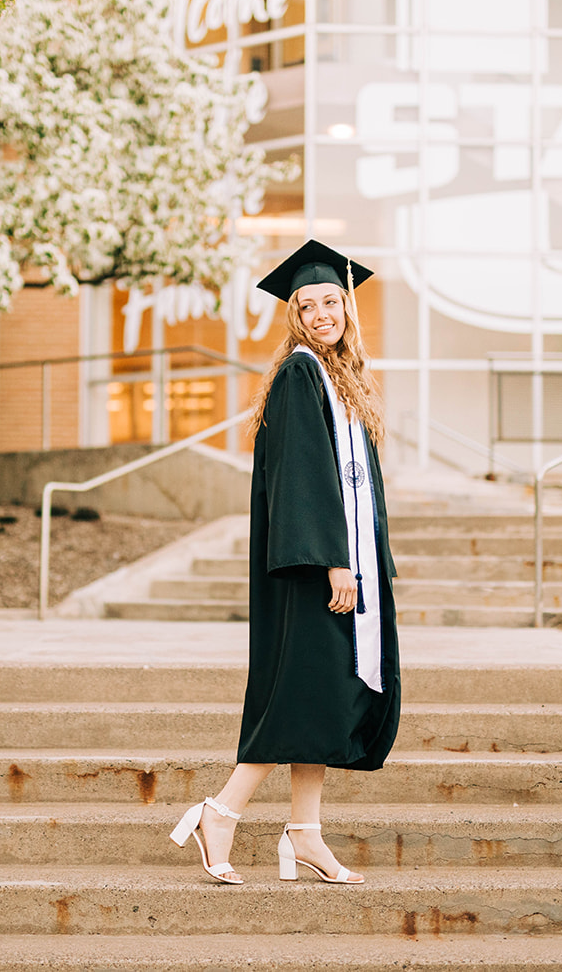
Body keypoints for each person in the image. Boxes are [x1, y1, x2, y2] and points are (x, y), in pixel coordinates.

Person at [170, 240, 401, 886]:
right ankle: (220, 812)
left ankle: (306, 835)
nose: (323, 311)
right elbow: (305, 475)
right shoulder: (303, 372)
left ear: (347, 306)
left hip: (339, 564)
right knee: (299, 697)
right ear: (295, 314)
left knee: (323, 700)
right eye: (309, 304)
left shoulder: (339, 374)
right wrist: (334, 561)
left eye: (332, 300)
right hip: (315, 569)